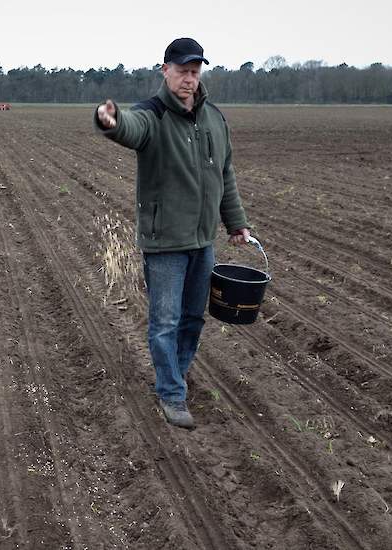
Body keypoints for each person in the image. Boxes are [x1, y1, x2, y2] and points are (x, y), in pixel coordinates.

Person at [94, 37, 251, 429]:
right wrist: (111, 122)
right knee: (164, 322)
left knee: (193, 319)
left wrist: (235, 222)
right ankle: (171, 394)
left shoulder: (214, 118)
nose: (189, 79)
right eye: (182, 71)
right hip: (165, 242)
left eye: (195, 72)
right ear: (165, 70)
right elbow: (132, 127)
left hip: (202, 240)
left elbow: (224, 173)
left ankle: (175, 375)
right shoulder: (153, 115)